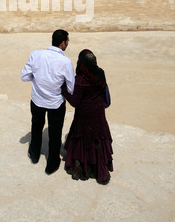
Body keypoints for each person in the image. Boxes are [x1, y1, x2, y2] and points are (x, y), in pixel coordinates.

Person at [21, 30, 75, 175]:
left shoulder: (36, 54)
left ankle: (34, 154)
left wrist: (39, 80)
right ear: (63, 43)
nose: (68, 44)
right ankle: (52, 164)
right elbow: (71, 88)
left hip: (37, 100)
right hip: (55, 103)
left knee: (36, 126)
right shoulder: (65, 62)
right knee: (55, 132)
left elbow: (25, 77)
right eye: (67, 41)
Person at [61, 49, 113, 184]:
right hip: (98, 114)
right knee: (98, 140)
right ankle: (101, 171)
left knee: (83, 141)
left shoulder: (80, 79)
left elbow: (74, 101)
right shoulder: (100, 73)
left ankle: (84, 169)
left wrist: (64, 90)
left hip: (84, 116)